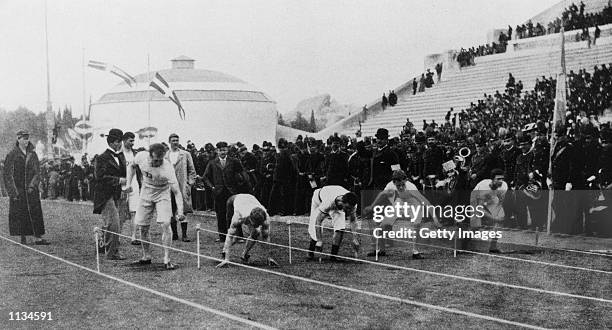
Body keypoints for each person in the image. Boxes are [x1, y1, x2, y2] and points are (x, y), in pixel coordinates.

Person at [126, 143, 185, 270]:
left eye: (160, 160)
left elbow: (177, 192)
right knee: (142, 225)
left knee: (165, 223)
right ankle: (146, 255)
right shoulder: (141, 156)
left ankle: (167, 258)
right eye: (155, 159)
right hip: (146, 191)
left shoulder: (167, 168)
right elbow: (131, 166)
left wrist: (180, 211)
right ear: (149, 155)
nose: (157, 162)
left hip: (162, 193)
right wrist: (128, 183)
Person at [364, 170, 440, 258]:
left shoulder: (412, 187)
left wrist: (435, 219)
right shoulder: (390, 185)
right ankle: (381, 250)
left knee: (416, 225)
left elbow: (427, 203)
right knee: (382, 226)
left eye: (402, 184)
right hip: (400, 201)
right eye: (398, 185)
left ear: (406, 181)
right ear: (394, 182)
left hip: (414, 203)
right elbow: (382, 195)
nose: (400, 187)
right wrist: (371, 206)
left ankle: (415, 252)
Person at [3, 130, 49, 245]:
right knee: (20, 212)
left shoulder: (32, 154)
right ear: (18, 139)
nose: (26, 141)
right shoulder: (12, 154)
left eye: (27, 138)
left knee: (35, 212)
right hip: (18, 189)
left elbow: (37, 172)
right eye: (24, 138)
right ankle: (23, 236)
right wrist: (13, 192)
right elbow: (7, 174)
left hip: (31, 189)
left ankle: (38, 237)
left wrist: (32, 185)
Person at [216, 194, 278, 268]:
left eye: (259, 224)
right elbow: (230, 235)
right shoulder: (238, 217)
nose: (258, 225)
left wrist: (269, 257)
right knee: (235, 235)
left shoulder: (266, 218)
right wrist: (227, 259)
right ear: (249, 218)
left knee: (257, 232)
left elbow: (266, 236)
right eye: (255, 224)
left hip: (250, 198)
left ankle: (244, 254)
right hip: (233, 200)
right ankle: (224, 251)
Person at [93, 128, 127, 260]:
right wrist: (118, 180)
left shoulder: (121, 156)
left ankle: (101, 244)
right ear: (114, 143)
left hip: (117, 194)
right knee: (114, 223)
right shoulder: (101, 157)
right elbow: (99, 176)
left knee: (112, 222)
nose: (121, 144)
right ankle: (112, 253)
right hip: (105, 195)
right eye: (119, 142)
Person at [203, 141, 245, 242]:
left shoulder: (234, 161)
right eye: (220, 150)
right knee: (221, 214)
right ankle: (222, 236)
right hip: (219, 192)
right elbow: (205, 177)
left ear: (227, 150)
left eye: (225, 149)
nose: (223, 152)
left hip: (231, 192)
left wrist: (238, 185)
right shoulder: (212, 163)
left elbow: (241, 173)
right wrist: (212, 187)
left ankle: (238, 236)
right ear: (217, 151)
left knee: (235, 213)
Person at [307, 185, 360, 262]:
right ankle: (310, 252)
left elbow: (352, 220)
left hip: (336, 202)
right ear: (342, 202)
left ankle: (333, 256)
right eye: (347, 208)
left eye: (350, 209)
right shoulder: (328, 202)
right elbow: (318, 220)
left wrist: (355, 239)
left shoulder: (352, 204)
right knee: (313, 224)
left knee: (340, 227)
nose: (349, 210)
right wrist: (319, 240)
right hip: (318, 199)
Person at [469, 168, 508, 253]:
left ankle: (493, 247)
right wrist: (492, 218)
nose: (501, 181)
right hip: (476, 198)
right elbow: (479, 208)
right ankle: (465, 244)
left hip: (492, 197)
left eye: (502, 179)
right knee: (476, 225)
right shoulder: (484, 187)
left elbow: (500, 203)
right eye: (498, 179)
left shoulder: (504, 186)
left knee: (501, 218)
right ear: (492, 179)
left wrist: (498, 216)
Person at [167, 133, 196, 242]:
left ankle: (184, 235)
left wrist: (189, 183)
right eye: (173, 140)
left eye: (177, 140)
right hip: (169, 187)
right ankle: (174, 234)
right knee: (171, 209)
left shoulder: (185, 154)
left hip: (182, 185)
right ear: (169, 141)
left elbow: (192, 170)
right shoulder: (166, 155)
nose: (175, 142)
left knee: (183, 210)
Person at [121, 132, 142, 245]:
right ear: (124, 140)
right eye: (130, 140)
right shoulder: (119, 153)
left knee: (134, 211)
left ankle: (134, 236)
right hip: (122, 182)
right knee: (120, 211)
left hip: (134, 183)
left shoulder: (135, 153)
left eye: (134, 141)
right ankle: (116, 237)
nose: (133, 143)